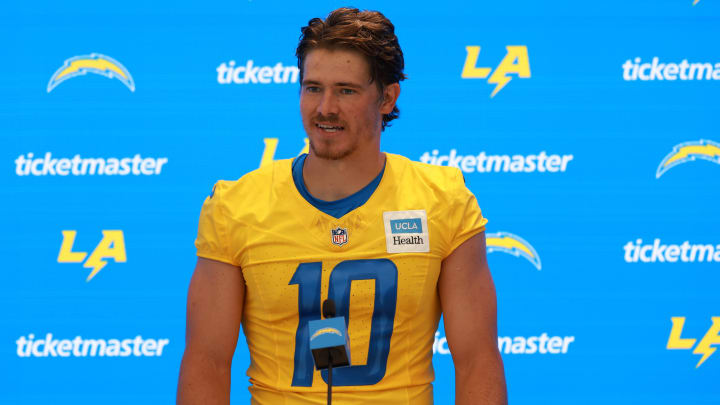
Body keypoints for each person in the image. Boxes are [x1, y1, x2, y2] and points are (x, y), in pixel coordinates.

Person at [177, 7, 507, 405]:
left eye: (346, 90)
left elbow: (476, 360)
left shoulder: (443, 201)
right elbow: (206, 362)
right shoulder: (236, 206)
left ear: (387, 97)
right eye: (313, 88)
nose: (325, 108)